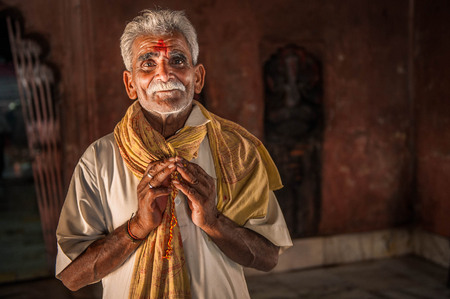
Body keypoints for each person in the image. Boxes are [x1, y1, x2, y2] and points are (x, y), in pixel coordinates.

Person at [55, 9, 293, 299]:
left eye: (177, 60)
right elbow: (71, 276)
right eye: (148, 63)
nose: (164, 74)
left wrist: (214, 223)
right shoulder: (99, 159)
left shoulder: (238, 149)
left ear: (198, 76)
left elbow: (268, 258)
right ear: (130, 84)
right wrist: (137, 227)